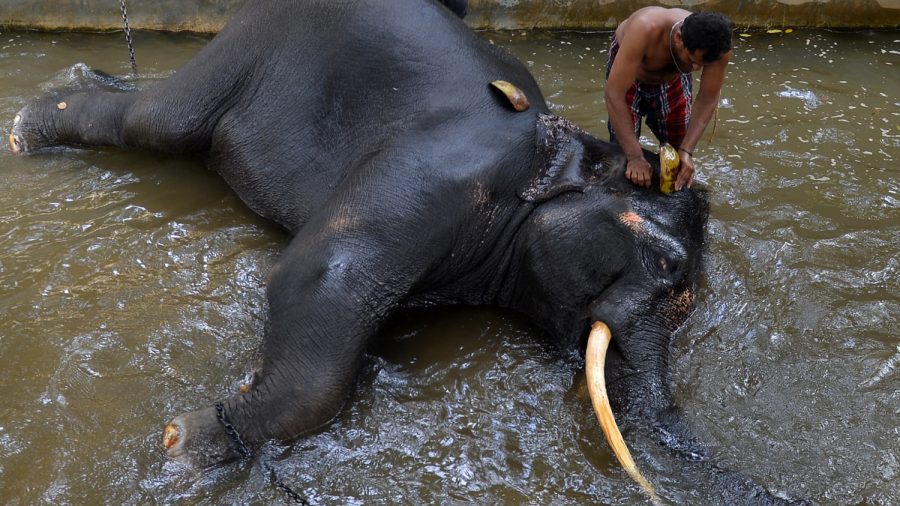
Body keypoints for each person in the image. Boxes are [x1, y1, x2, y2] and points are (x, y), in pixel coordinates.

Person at [605, 8, 733, 191]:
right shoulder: (645, 28)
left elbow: (707, 98)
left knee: (677, 158)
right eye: (692, 60)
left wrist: (687, 151)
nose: (696, 68)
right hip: (629, 78)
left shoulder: (719, 49)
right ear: (679, 38)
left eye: (703, 65)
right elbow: (614, 94)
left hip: (673, 78)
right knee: (622, 153)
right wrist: (635, 157)